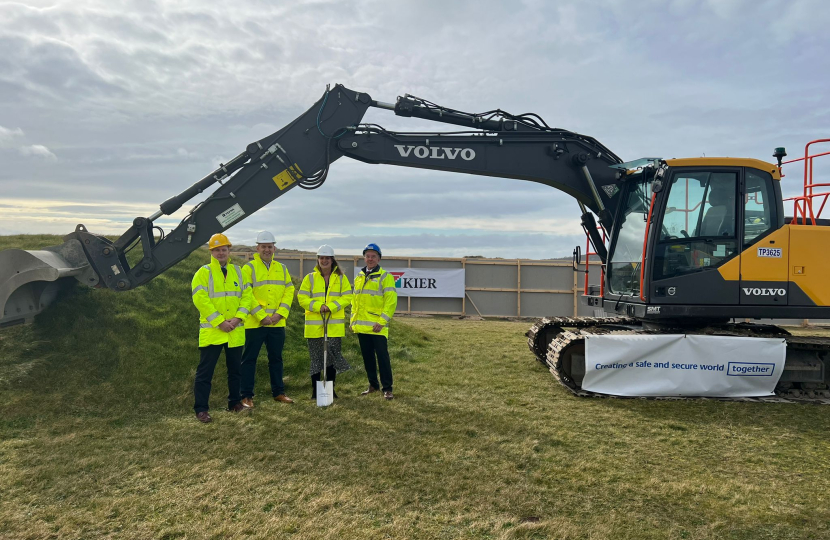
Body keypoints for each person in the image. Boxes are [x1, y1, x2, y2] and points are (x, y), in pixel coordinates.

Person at [190, 233, 253, 423]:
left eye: (223, 249)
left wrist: (237, 319)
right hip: (213, 331)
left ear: (229, 251)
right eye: (216, 250)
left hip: (234, 330)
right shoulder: (203, 272)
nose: (220, 253)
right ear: (211, 252)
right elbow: (200, 300)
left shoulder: (239, 272)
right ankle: (201, 409)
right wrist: (220, 322)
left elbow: (247, 296)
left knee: (235, 371)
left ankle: (234, 403)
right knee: (205, 373)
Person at [239, 231, 296, 408]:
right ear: (257, 248)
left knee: (276, 359)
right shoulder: (248, 268)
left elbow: (289, 291)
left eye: (269, 247)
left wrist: (280, 314)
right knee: (249, 360)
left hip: (277, 323)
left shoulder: (282, 268)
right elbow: (246, 294)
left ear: (274, 248)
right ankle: (246, 395)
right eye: (263, 246)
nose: (267, 250)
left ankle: (279, 392)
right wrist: (261, 316)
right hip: (255, 323)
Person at [297, 245, 353, 399]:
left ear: (332, 259)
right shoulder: (310, 278)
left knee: (331, 359)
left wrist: (331, 307)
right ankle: (315, 392)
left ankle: (330, 390)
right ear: (318, 260)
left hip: (334, 327)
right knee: (316, 359)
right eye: (321, 258)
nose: (324, 260)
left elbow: (347, 296)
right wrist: (318, 306)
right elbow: (302, 297)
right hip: (314, 327)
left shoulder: (341, 278)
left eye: (327, 258)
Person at [351, 243, 398, 400]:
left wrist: (382, 321)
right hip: (362, 327)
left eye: (373, 256)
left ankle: (387, 388)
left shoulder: (386, 277)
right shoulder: (359, 277)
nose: (370, 259)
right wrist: (353, 321)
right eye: (368, 256)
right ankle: (373, 385)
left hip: (377, 327)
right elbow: (355, 302)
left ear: (379, 258)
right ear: (364, 258)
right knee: (367, 358)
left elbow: (391, 302)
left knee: (382, 357)